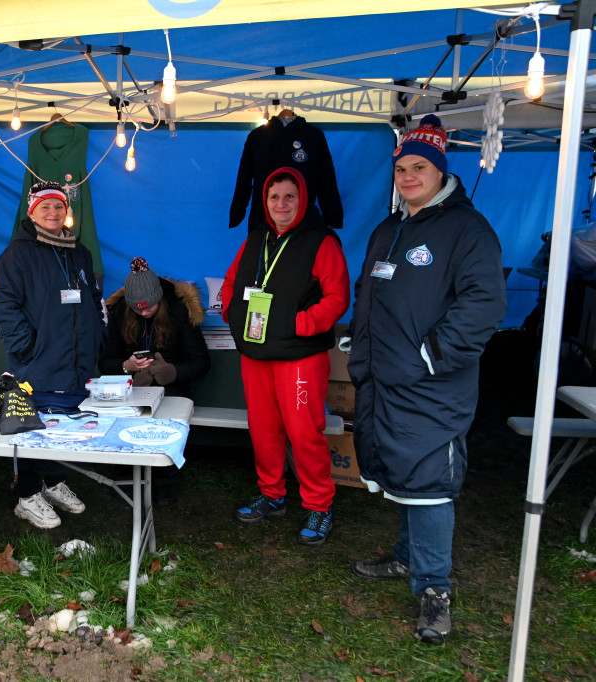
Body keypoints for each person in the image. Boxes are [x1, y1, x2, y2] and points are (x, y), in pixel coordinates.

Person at [347, 115, 506, 644]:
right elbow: (367, 293)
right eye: (401, 168)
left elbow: (485, 304)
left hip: (430, 386)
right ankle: (405, 557)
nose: (408, 176)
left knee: (430, 483)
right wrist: (359, 345)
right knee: (399, 473)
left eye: (420, 167)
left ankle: (435, 588)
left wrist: (430, 356)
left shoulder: (467, 229)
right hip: (383, 380)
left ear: (441, 171)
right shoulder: (389, 229)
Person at [222, 167, 350, 545]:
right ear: (265, 201)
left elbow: (338, 297)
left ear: (302, 199)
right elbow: (231, 281)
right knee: (263, 429)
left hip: (299, 356)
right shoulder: (255, 238)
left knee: (303, 431)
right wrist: (233, 313)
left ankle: (318, 505)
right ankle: (272, 494)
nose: (281, 204)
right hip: (256, 352)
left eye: (289, 197)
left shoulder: (322, 241)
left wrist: (302, 324)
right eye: (274, 197)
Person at [0, 181, 106, 530]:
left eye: (59, 207)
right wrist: (28, 347)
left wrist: (95, 338)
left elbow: (91, 301)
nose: (53, 213)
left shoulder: (79, 252)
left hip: (75, 363)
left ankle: (53, 483)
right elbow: (3, 308)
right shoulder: (17, 254)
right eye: (45, 207)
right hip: (37, 364)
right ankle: (27, 496)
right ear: (32, 212)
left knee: (62, 427)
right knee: (31, 430)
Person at [100, 256, 211, 504]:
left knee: (164, 419)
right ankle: (125, 478)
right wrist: (125, 366)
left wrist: (173, 372)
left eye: (149, 306)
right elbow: (104, 361)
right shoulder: (120, 314)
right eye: (137, 308)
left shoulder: (180, 313)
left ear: (160, 299)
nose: (144, 311)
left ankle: (165, 480)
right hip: (132, 389)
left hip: (172, 388)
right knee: (123, 416)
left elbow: (201, 362)